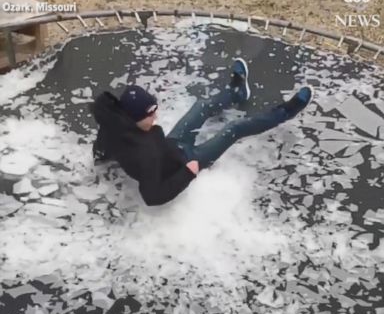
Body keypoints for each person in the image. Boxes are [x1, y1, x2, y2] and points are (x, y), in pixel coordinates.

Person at [90, 59, 313, 206]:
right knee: (234, 129)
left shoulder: (114, 124)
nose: (156, 117)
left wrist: (102, 159)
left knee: (200, 107)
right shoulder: (144, 155)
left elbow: (101, 149)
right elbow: (152, 196)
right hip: (187, 161)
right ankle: (285, 112)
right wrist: (189, 172)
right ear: (135, 117)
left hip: (172, 145)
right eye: (151, 114)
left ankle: (236, 94)